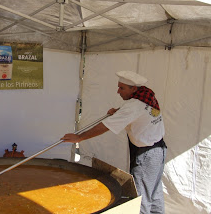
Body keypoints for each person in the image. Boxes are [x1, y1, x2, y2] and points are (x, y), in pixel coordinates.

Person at [61, 70, 167, 214]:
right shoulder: (147, 95)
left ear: (133, 89)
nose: (118, 91)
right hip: (158, 149)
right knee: (154, 192)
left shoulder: (134, 105)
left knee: (141, 197)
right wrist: (118, 111)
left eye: (121, 88)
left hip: (147, 154)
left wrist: (80, 137)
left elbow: (106, 126)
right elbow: (138, 112)